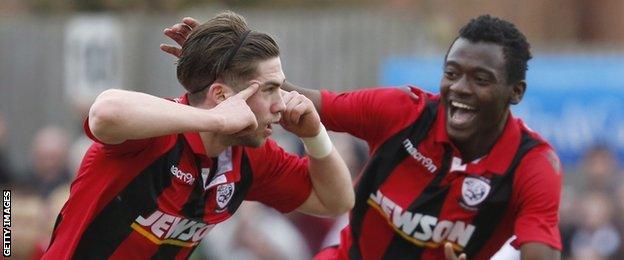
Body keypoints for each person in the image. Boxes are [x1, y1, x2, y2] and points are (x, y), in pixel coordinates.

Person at [162, 14, 563, 259]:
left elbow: (539, 252)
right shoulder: (402, 111)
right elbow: (299, 101)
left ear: (516, 92)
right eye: (452, 73)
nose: (459, 89)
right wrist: (226, 73)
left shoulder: (533, 165)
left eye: (481, 79)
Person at [43, 11, 354, 259]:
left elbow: (336, 201)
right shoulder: (157, 132)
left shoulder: (250, 157)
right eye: (271, 89)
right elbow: (104, 112)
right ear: (220, 95)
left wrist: (315, 135)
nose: (281, 104)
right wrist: (213, 119)